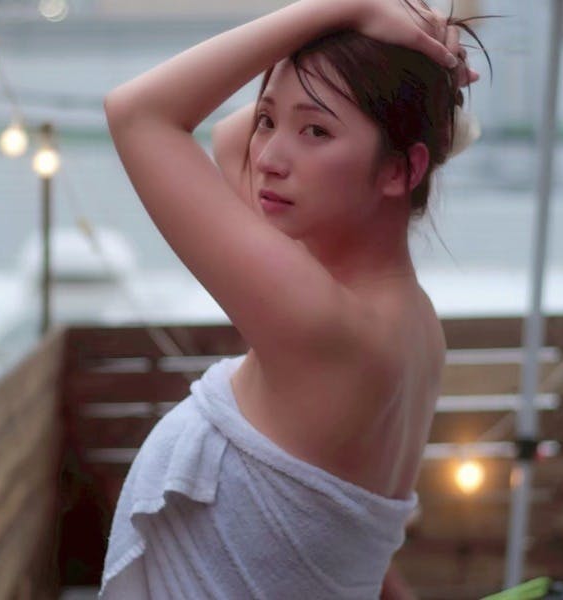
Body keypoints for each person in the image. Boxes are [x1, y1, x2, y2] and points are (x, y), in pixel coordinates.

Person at [99, 1, 481, 598]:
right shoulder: (412, 326)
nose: (269, 158)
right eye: (268, 121)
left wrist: (349, 7)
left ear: (401, 170)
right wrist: (381, 52)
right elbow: (231, 140)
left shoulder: (323, 326)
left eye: (316, 132)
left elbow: (138, 113)